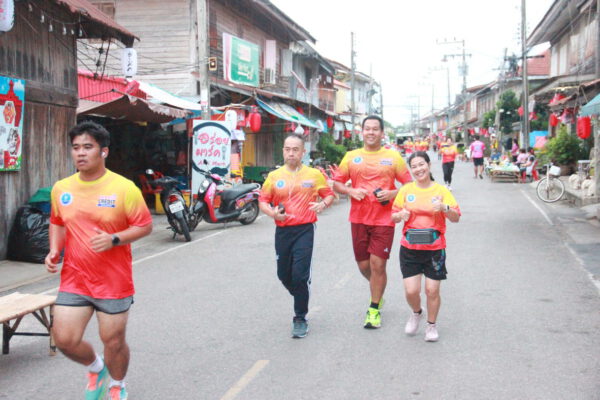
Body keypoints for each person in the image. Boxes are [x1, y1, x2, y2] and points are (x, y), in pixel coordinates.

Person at [45, 121, 153, 400]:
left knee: (113, 342)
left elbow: (144, 226)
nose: (80, 153)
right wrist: (54, 249)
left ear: (103, 151)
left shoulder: (124, 188)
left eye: (87, 147)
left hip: (113, 282)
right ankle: (96, 368)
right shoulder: (62, 188)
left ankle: (117, 384)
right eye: (75, 148)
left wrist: (114, 239)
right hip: (75, 279)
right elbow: (57, 221)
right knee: (64, 339)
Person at [332, 115, 412, 329]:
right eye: (367, 128)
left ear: (382, 133)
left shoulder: (393, 157)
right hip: (358, 218)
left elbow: (409, 184)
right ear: (362, 132)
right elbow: (337, 183)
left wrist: (392, 193)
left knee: (378, 264)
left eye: (375, 129)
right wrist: (350, 190)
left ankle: (374, 308)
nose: (371, 132)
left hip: (385, 219)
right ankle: (378, 288)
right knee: (363, 265)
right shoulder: (351, 157)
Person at [259, 133, 335, 339]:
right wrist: (273, 213)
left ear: (303, 152)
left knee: (300, 275)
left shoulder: (314, 175)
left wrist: (322, 204)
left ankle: (300, 317)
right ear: (283, 151)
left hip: (305, 230)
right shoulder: (274, 176)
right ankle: (301, 295)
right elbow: (263, 200)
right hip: (283, 230)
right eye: (287, 149)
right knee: (283, 275)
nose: (291, 153)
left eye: (295, 149)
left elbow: (329, 195)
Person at [391, 151, 461, 342]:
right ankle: (417, 312)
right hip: (409, 248)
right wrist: (400, 215)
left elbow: (456, 217)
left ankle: (431, 325)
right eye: (413, 166)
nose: (418, 169)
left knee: (432, 290)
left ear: (429, 165)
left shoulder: (441, 191)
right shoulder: (406, 190)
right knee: (411, 291)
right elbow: (393, 216)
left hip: (435, 249)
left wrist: (445, 208)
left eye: (421, 164)